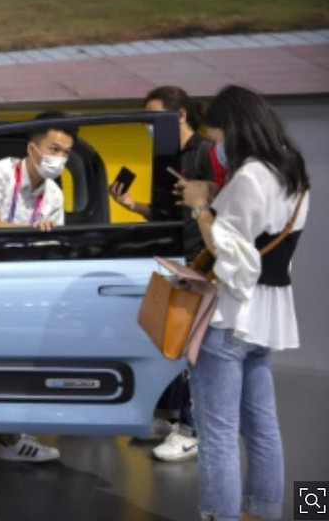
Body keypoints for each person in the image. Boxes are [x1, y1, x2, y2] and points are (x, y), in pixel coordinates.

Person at [176, 84, 310, 521]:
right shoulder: (292, 171)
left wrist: (201, 206)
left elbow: (231, 256)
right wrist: (218, 196)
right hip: (266, 319)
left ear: (234, 128)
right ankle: (265, 512)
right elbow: (263, 235)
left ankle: (221, 515)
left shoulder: (249, 175)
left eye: (218, 137)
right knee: (263, 428)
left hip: (230, 316)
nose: (218, 147)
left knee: (217, 433)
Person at [110, 85, 225, 461]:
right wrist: (133, 205)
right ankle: (169, 416)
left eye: (154, 116)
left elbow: (217, 208)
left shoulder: (206, 153)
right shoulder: (166, 156)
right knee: (170, 342)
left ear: (180, 115)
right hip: (175, 259)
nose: (149, 125)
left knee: (194, 350)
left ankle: (193, 430)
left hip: (202, 263)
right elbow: (168, 213)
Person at [0, 111, 77, 462]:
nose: (59, 158)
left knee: (23, 359)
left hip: (20, 285)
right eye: (54, 149)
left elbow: (52, 246)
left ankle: (13, 438)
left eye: (66, 153)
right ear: (32, 148)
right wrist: (31, 232)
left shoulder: (54, 194)